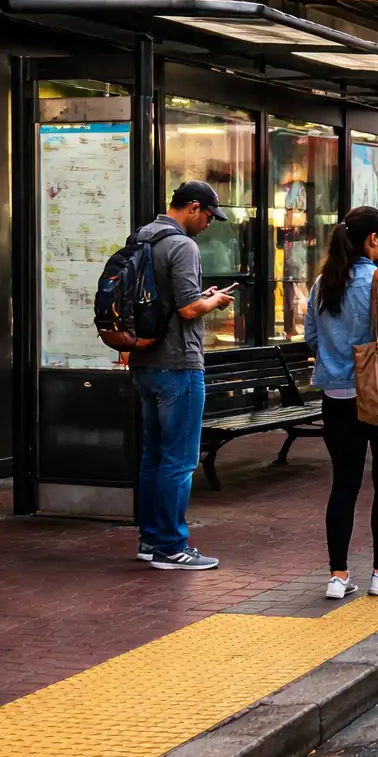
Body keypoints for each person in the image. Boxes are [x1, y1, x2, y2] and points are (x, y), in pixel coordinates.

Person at [305, 206, 378, 599]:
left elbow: (310, 337)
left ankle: (338, 576)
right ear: (372, 239)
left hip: (335, 398)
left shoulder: (323, 283)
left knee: (344, 485)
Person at [132, 182, 235, 570]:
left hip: (145, 361)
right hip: (179, 364)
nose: (209, 223)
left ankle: (150, 539)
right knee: (179, 460)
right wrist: (216, 300)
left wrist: (201, 297)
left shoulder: (142, 236)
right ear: (193, 207)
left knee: (154, 457)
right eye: (208, 215)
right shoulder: (182, 245)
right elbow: (190, 309)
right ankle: (172, 546)